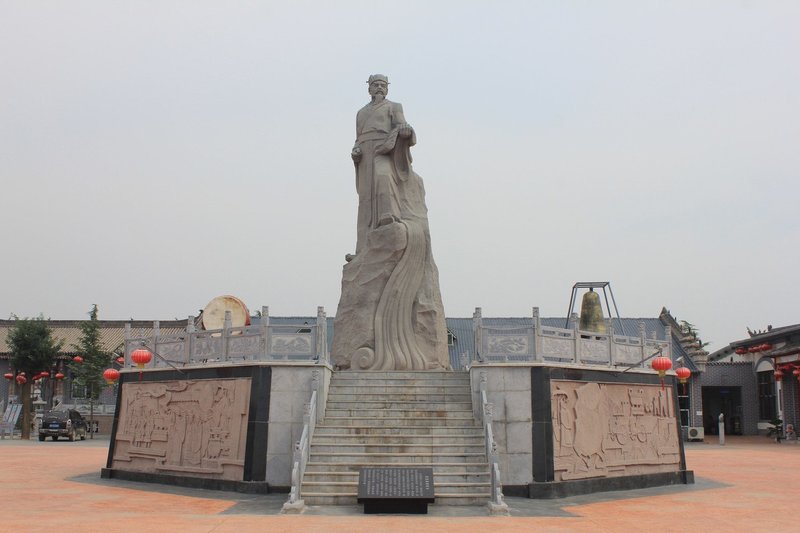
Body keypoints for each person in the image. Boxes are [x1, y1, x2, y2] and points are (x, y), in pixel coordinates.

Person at [350, 74, 418, 257]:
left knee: (384, 176)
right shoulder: (361, 113)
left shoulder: (394, 107)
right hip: (365, 152)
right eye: (376, 85)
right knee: (365, 199)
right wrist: (356, 150)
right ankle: (362, 249)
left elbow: (403, 125)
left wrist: (405, 131)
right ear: (369, 88)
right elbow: (358, 138)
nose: (379, 87)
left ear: (387, 88)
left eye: (382, 85)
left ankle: (388, 217)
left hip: (385, 148)